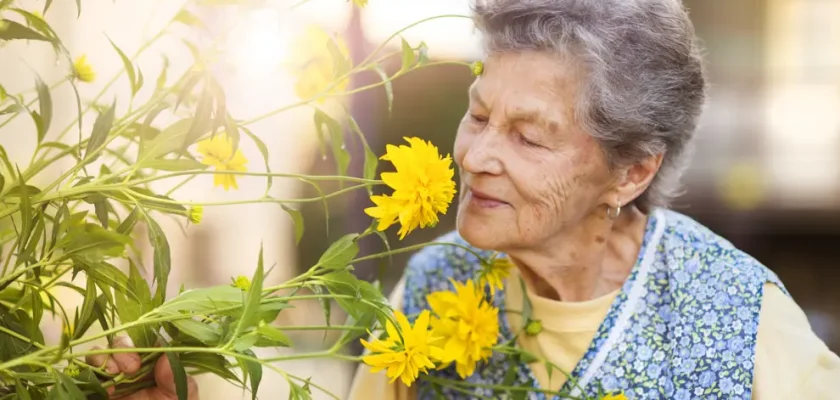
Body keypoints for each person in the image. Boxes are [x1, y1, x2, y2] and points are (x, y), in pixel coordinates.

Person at [103, 0, 840, 399]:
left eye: (530, 136)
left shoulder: (741, 321)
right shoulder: (435, 282)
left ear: (630, 174)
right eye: (479, 114)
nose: (476, 157)